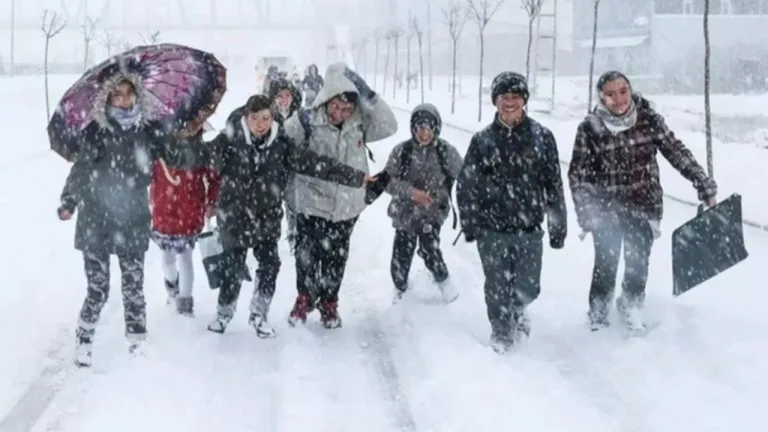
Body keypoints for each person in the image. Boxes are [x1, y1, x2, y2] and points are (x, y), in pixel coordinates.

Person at [200, 94, 375, 337]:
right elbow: (201, 156)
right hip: (235, 217)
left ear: (272, 118)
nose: (261, 124)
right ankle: (223, 314)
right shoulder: (229, 140)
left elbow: (315, 164)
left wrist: (355, 177)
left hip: (266, 218)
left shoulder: (281, 145)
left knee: (270, 266)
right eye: (255, 118)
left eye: (266, 118)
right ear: (245, 118)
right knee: (233, 268)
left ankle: (259, 314)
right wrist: (184, 144)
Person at [57, 74, 191, 367]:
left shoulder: (148, 131)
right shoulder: (95, 131)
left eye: (128, 94)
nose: (123, 100)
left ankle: (137, 342)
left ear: (137, 96)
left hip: (131, 216)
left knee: (133, 286)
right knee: (98, 288)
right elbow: (80, 171)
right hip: (96, 217)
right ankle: (84, 337)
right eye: (116, 95)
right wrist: (68, 201)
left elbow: (175, 159)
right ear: (107, 99)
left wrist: (169, 136)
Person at [567, 70, 717, 332]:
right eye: (610, 94)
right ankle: (598, 315)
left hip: (643, 206)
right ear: (601, 98)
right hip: (606, 211)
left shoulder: (648, 120)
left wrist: (702, 181)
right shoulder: (590, 128)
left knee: (638, 263)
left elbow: (676, 151)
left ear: (631, 90)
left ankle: (631, 306)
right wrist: (587, 212)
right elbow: (578, 176)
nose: (619, 99)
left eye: (623, 91)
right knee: (606, 263)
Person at [456, 71, 567, 354]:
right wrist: (470, 222)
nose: (510, 102)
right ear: (496, 101)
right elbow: (467, 184)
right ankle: (501, 331)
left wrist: (558, 225)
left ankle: (517, 310)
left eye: (516, 97)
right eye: (504, 97)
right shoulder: (482, 141)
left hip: (529, 229)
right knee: (496, 287)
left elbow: (553, 185)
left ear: (524, 100)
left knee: (529, 287)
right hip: (492, 229)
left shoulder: (542, 137)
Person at [284, 62, 397, 329]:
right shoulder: (306, 120)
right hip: (311, 202)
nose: (340, 113)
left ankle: (329, 303)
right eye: (336, 106)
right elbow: (283, 146)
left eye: (346, 109)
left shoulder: (359, 124)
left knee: (336, 257)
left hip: (346, 206)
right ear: (326, 100)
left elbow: (390, 125)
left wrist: (368, 94)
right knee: (307, 256)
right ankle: (304, 298)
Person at [382, 103, 462, 304]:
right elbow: (385, 182)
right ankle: (400, 291)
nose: (423, 133)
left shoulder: (446, 152)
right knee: (400, 259)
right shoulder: (402, 152)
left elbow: (467, 176)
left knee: (430, 249)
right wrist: (410, 193)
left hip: (432, 214)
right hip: (404, 214)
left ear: (436, 128)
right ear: (412, 128)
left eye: (428, 128)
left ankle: (445, 285)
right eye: (419, 128)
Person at [149, 118, 219, 316]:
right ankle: (176, 292)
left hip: (180, 212)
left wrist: (211, 201)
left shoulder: (195, 150)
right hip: (170, 212)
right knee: (172, 259)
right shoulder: (159, 149)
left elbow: (213, 178)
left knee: (179, 259)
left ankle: (180, 300)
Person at [267, 77, 303, 253]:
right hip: (272, 171)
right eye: (279, 96)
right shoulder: (267, 117)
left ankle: (293, 235)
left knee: (293, 205)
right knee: (272, 207)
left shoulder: (299, 117)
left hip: (293, 170)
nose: (283, 100)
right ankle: (270, 239)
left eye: (287, 95)